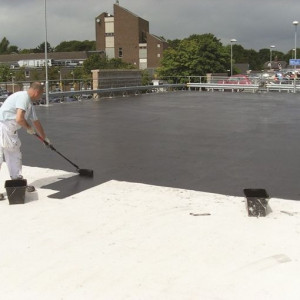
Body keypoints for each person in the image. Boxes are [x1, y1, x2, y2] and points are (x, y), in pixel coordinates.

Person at [0, 82, 50, 199]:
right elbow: (19, 119)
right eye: (41, 94)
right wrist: (28, 128)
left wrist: (44, 138)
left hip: (10, 130)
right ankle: (16, 181)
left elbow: (36, 122)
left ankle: (17, 182)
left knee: (14, 154)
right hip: (3, 126)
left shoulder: (29, 104)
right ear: (37, 92)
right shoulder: (23, 97)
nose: (40, 97)